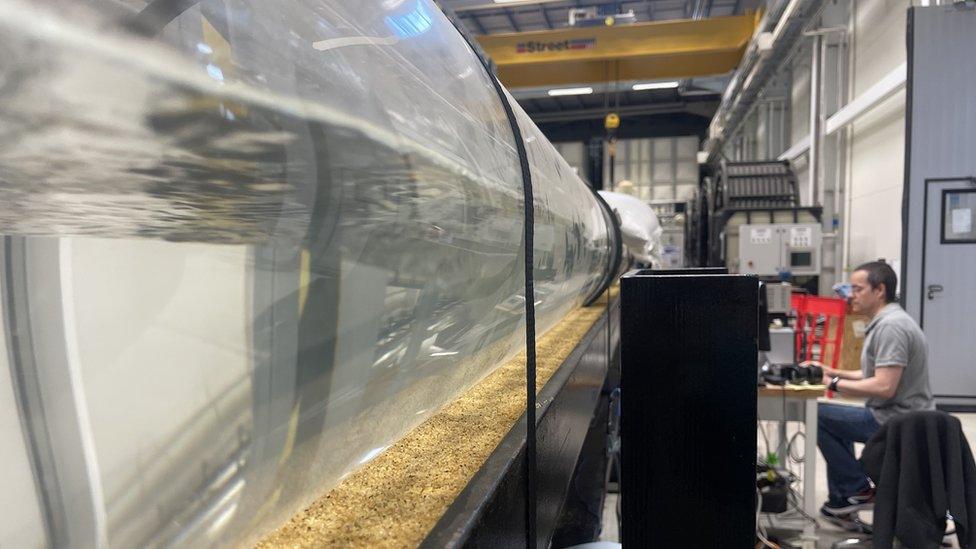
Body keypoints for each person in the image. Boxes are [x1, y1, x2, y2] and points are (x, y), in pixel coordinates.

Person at [809, 261, 936, 530]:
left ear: (879, 290)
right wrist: (830, 371)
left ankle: (856, 488)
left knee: (818, 416)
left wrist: (833, 384)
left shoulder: (892, 327)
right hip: (896, 413)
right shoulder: (887, 321)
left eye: (857, 289)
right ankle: (841, 501)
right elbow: (871, 373)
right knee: (829, 417)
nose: (850, 295)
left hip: (896, 419)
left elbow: (883, 386)